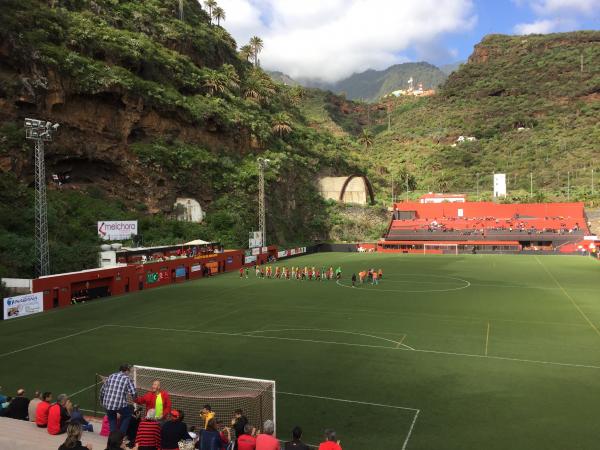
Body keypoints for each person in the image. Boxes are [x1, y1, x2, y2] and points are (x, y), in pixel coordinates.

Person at [100, 364, 136, 434]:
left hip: (107, 405)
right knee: (128, 414)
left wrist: (102, 402)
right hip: (119, 405)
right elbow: (134, 393)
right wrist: (136, 400)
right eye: (129, 371)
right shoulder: (127, 379)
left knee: (112, 419)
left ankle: (113, 438)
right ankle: (120, 436)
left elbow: (102, 390)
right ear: (126, 371)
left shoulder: (111, 376)